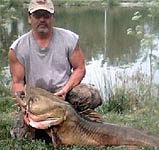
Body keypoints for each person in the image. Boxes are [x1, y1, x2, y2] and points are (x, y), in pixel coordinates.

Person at [8, 0, 102, 140]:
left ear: (53, 17)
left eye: (46, 15)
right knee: (20, 137)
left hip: (64, 95)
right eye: (37, 15)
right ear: (29, 18)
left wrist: (65, 89)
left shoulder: (69, 39)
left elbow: (79, 69)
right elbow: (17, 82)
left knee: (91, 95)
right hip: (38, 99)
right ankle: (51, 124)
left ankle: (74, 120)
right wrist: (24, 108)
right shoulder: (17, 48)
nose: (42, 19)